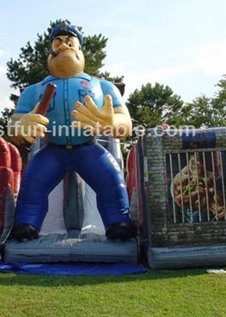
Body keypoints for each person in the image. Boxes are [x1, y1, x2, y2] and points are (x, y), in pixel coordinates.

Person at [8, 22, 134, 241]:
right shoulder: (34, 90)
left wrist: (112, 122)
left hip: (88, 149)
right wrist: (22, 125)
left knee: (111, 181)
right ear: (50, 51)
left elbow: (126, 124)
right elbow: (15, 124)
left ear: (80, 50)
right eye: (58, 42)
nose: (64, 46)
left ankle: (118, 223)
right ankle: (26, 225)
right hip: (53, 151)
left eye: (70, 42)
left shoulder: (102, 86)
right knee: (33, 184)